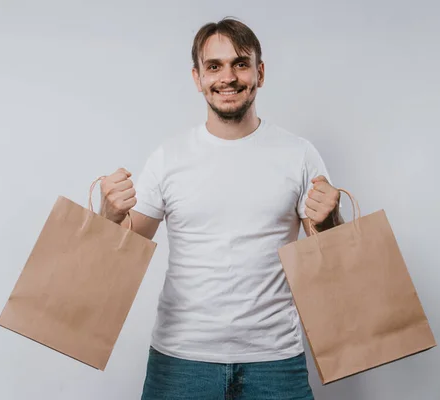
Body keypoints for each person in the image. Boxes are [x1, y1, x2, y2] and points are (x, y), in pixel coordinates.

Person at [99, 17, 343, 400]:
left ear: (259, 73)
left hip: (276, 362)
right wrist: (109, 215)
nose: (227, 77)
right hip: (180, 362)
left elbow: (333, 256)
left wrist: (331, 218)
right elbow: (121, 246)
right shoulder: (168, 157)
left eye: (240, 63)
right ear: (197, 78)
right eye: (214, 66)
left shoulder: (299, 155)